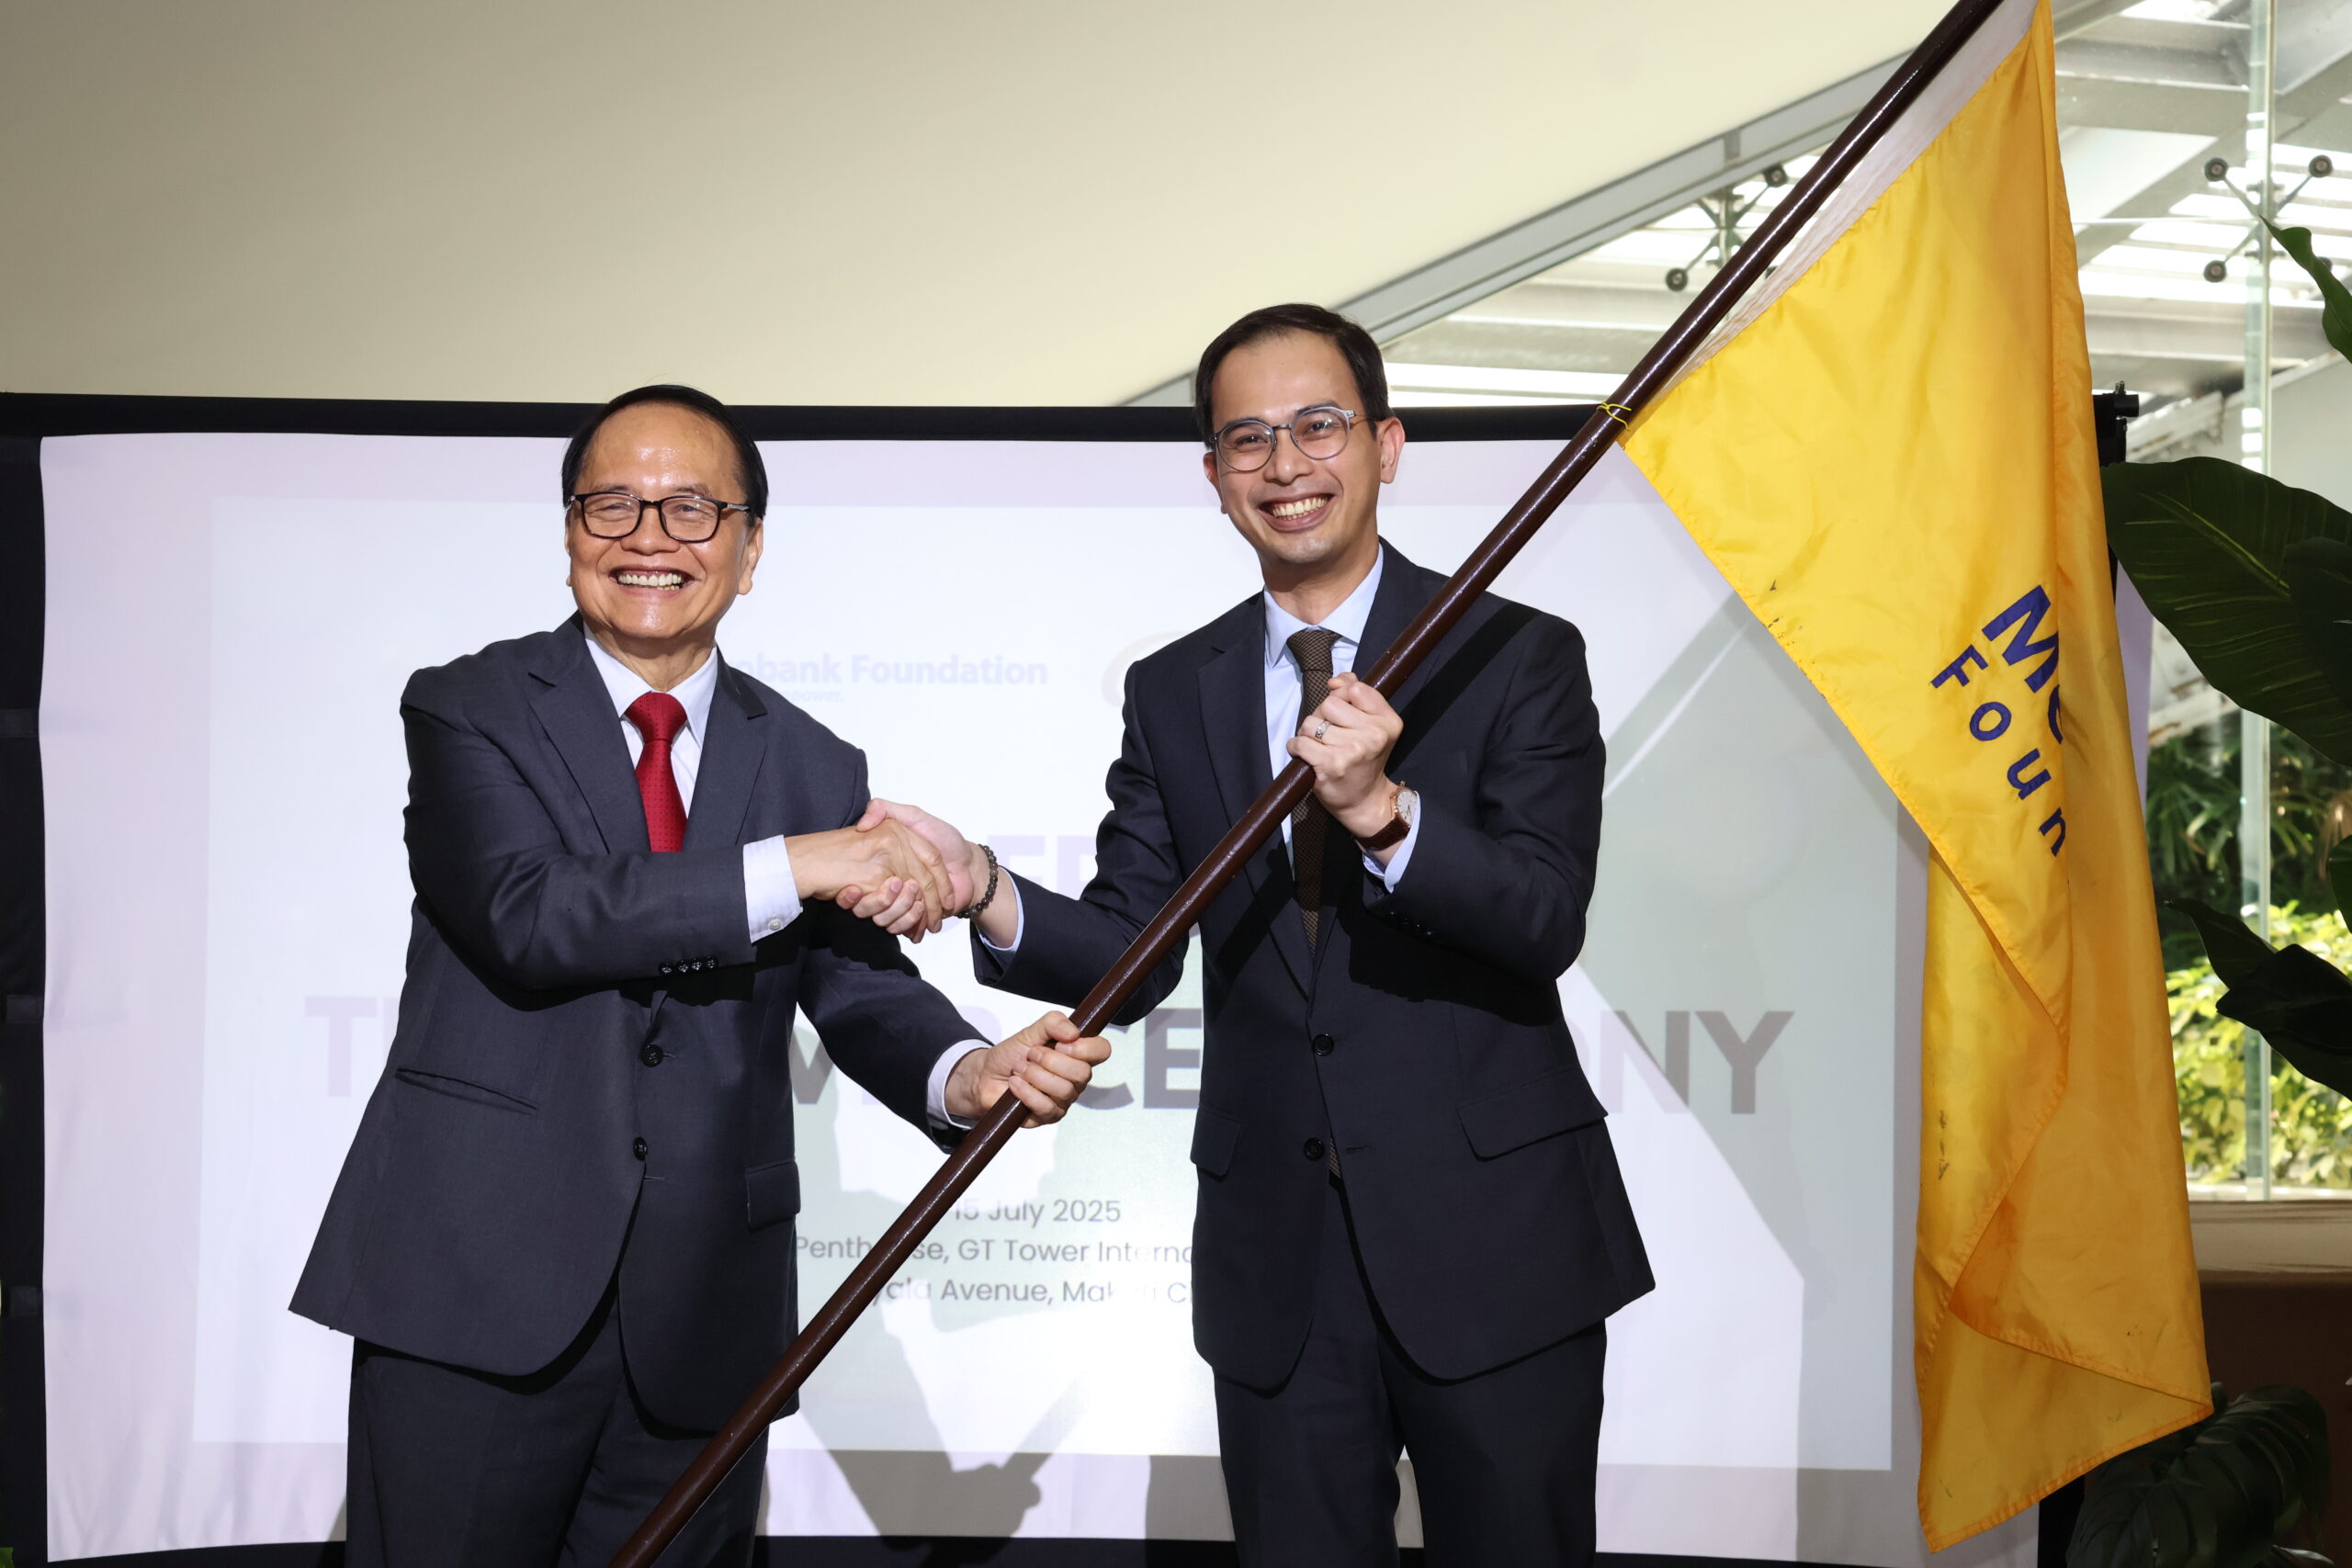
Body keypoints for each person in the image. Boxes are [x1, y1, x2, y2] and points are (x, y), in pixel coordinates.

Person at [851, 307, 1652, 1566]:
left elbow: (1544, 917)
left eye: (1319, 426)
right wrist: (983, 887)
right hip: (1278, 1255)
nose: (1286, 465)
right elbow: (1133, 947)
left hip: (1495, 1239)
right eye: (1248, 439)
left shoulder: (1513, 653)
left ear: (1387, 444)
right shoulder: (1177, 686)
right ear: (1215, 475)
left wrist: (1384, 813)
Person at [292, 384, 1108, 1567]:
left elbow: (855, 983)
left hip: (705, 1315)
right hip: (475, 1287)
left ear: (750, 547)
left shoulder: (812, 758)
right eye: (613, 506)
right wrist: (802, 861)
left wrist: (965, 1072)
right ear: (569, 531)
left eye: (691, 509)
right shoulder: (470, 705)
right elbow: (531, 914)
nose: (650, 538)